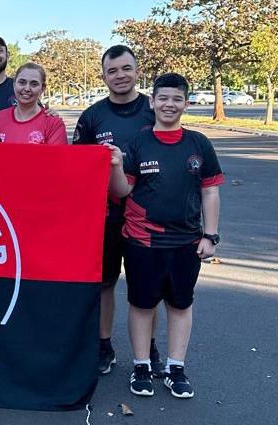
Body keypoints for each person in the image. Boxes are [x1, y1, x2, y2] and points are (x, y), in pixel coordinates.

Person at [107, 73, 222, 399]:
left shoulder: (198, 143)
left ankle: (175, 367)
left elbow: (210, 192)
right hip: (142, 242)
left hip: (186, 242)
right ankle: (141, 365)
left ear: (186, 103)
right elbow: (122, 190)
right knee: (142, 305)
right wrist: (116, 165)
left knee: (180, 305)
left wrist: (210, 237)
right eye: (163, 98)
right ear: (153, 102)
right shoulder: (138, 144)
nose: (169, 105)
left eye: (176, 99)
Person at [72, 45, 160, 376]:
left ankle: (147, 349)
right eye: (112, 71)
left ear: (137, 71)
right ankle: (103, 345)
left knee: (147, 291)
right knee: (106, 283)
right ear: (104, 75)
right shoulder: (92, 116)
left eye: (126, 69)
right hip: (105, 217)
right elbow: (75, 170)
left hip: (147, 217)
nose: (120, 76)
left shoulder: (154, 112)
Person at [0, 62, 67, 144]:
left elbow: (57, 156)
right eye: (22, 82)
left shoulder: (54, 124)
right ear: (14, 84)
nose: (27, 88)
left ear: (42, 89)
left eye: (34, 84)